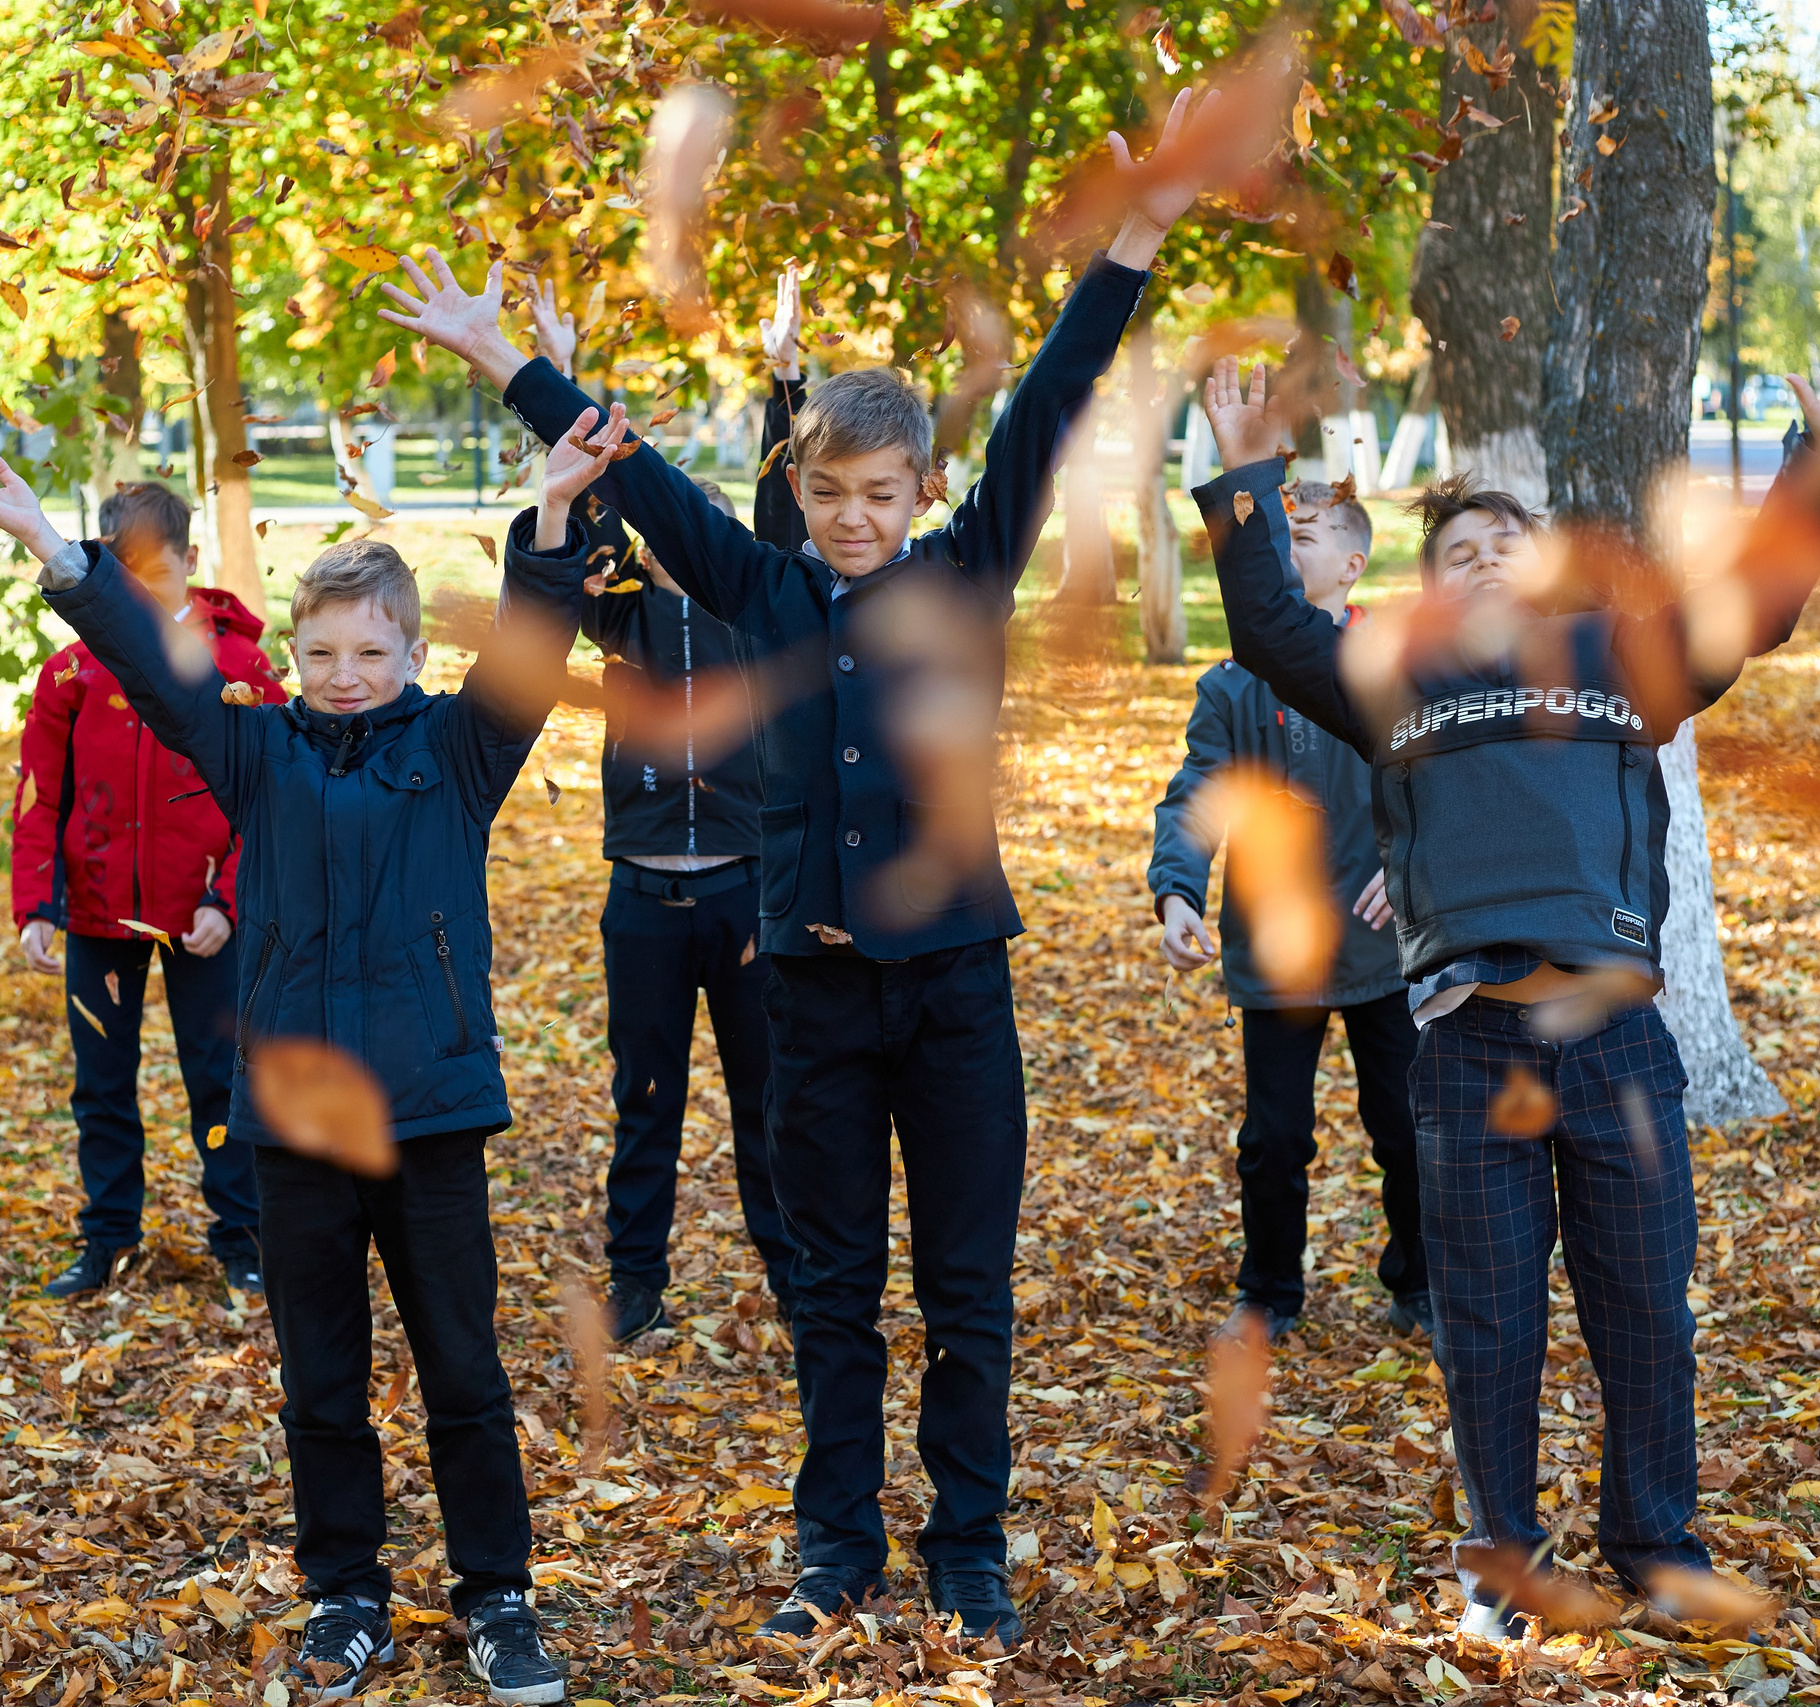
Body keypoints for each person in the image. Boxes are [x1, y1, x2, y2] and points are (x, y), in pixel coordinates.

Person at [381, 89, 1223, 1647]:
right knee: (831, 1290)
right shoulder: (760, 584)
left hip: (959, 992)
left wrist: (1146, 223)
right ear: (802, 484)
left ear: (918, 496)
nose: (850, 519)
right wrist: (508, 362)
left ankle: (968, 1537)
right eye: (827, 491)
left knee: (965, 1293)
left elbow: (1055, 387)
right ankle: (835, 1541)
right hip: (817, 997)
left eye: (878, 495)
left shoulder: (967, 574)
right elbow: (626, 473)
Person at [0, 414, 630, 1705]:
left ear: (416, 653)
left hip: (430, 1115)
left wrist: (546, 512)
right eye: (323, 652)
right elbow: (153, 667)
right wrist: (44, 538)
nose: (347, 671)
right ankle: (345, 1590)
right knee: (323, 1378)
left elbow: (534, 648)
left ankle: (499, 1593)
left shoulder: (459, 754)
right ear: (292, 657)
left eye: (373, 651)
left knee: (463, 1370)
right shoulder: (256, 753)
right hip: (294, 1125)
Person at [1190, 336, 1820, 1637]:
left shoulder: (1624, 657)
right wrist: (1241, 471)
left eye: (1509, 539)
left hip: (1617, 1048)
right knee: (1491, 1328)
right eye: (1458, 549)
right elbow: (1273, 630)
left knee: (1644, 1317)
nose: (1487, 558)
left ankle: (1657, 1543)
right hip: (1469, 1056)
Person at [524, 270, 807, 1342]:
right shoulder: (625, 608)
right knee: (643, 1102)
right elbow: (589, 490)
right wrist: (557, 367)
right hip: (642, 898)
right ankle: (637, 1281)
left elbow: (785, 503)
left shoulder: (762, 613)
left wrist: (786, 377)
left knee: (767, 1103)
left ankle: (793, 1279)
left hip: (748, 900)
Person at [1148, 478, 1429, 1345]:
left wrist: (1415, 863)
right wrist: (1176, 891)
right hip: (1277, 952)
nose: (1281, 548)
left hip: (1385, 944)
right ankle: (1270, 1291)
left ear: (1352, 564)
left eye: (1299, 537)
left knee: (1408, 1132)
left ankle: (1421, 1286)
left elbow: (1444, 781)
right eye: (1274, 535)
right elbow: (1199, 794)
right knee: (1273, 1141)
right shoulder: (1232, 685)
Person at [9, 482, 283, 1299]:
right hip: (96, 916)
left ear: (191, 562)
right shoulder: (70, 671)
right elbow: (39, 794)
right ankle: (109, 1238)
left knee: (219, 1078)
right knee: (101, 1083)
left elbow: (268, 793)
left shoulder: (237, 664)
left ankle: (243, 1239)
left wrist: (226, 900)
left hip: (202, 921)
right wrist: (39, 904)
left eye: (156, 575)